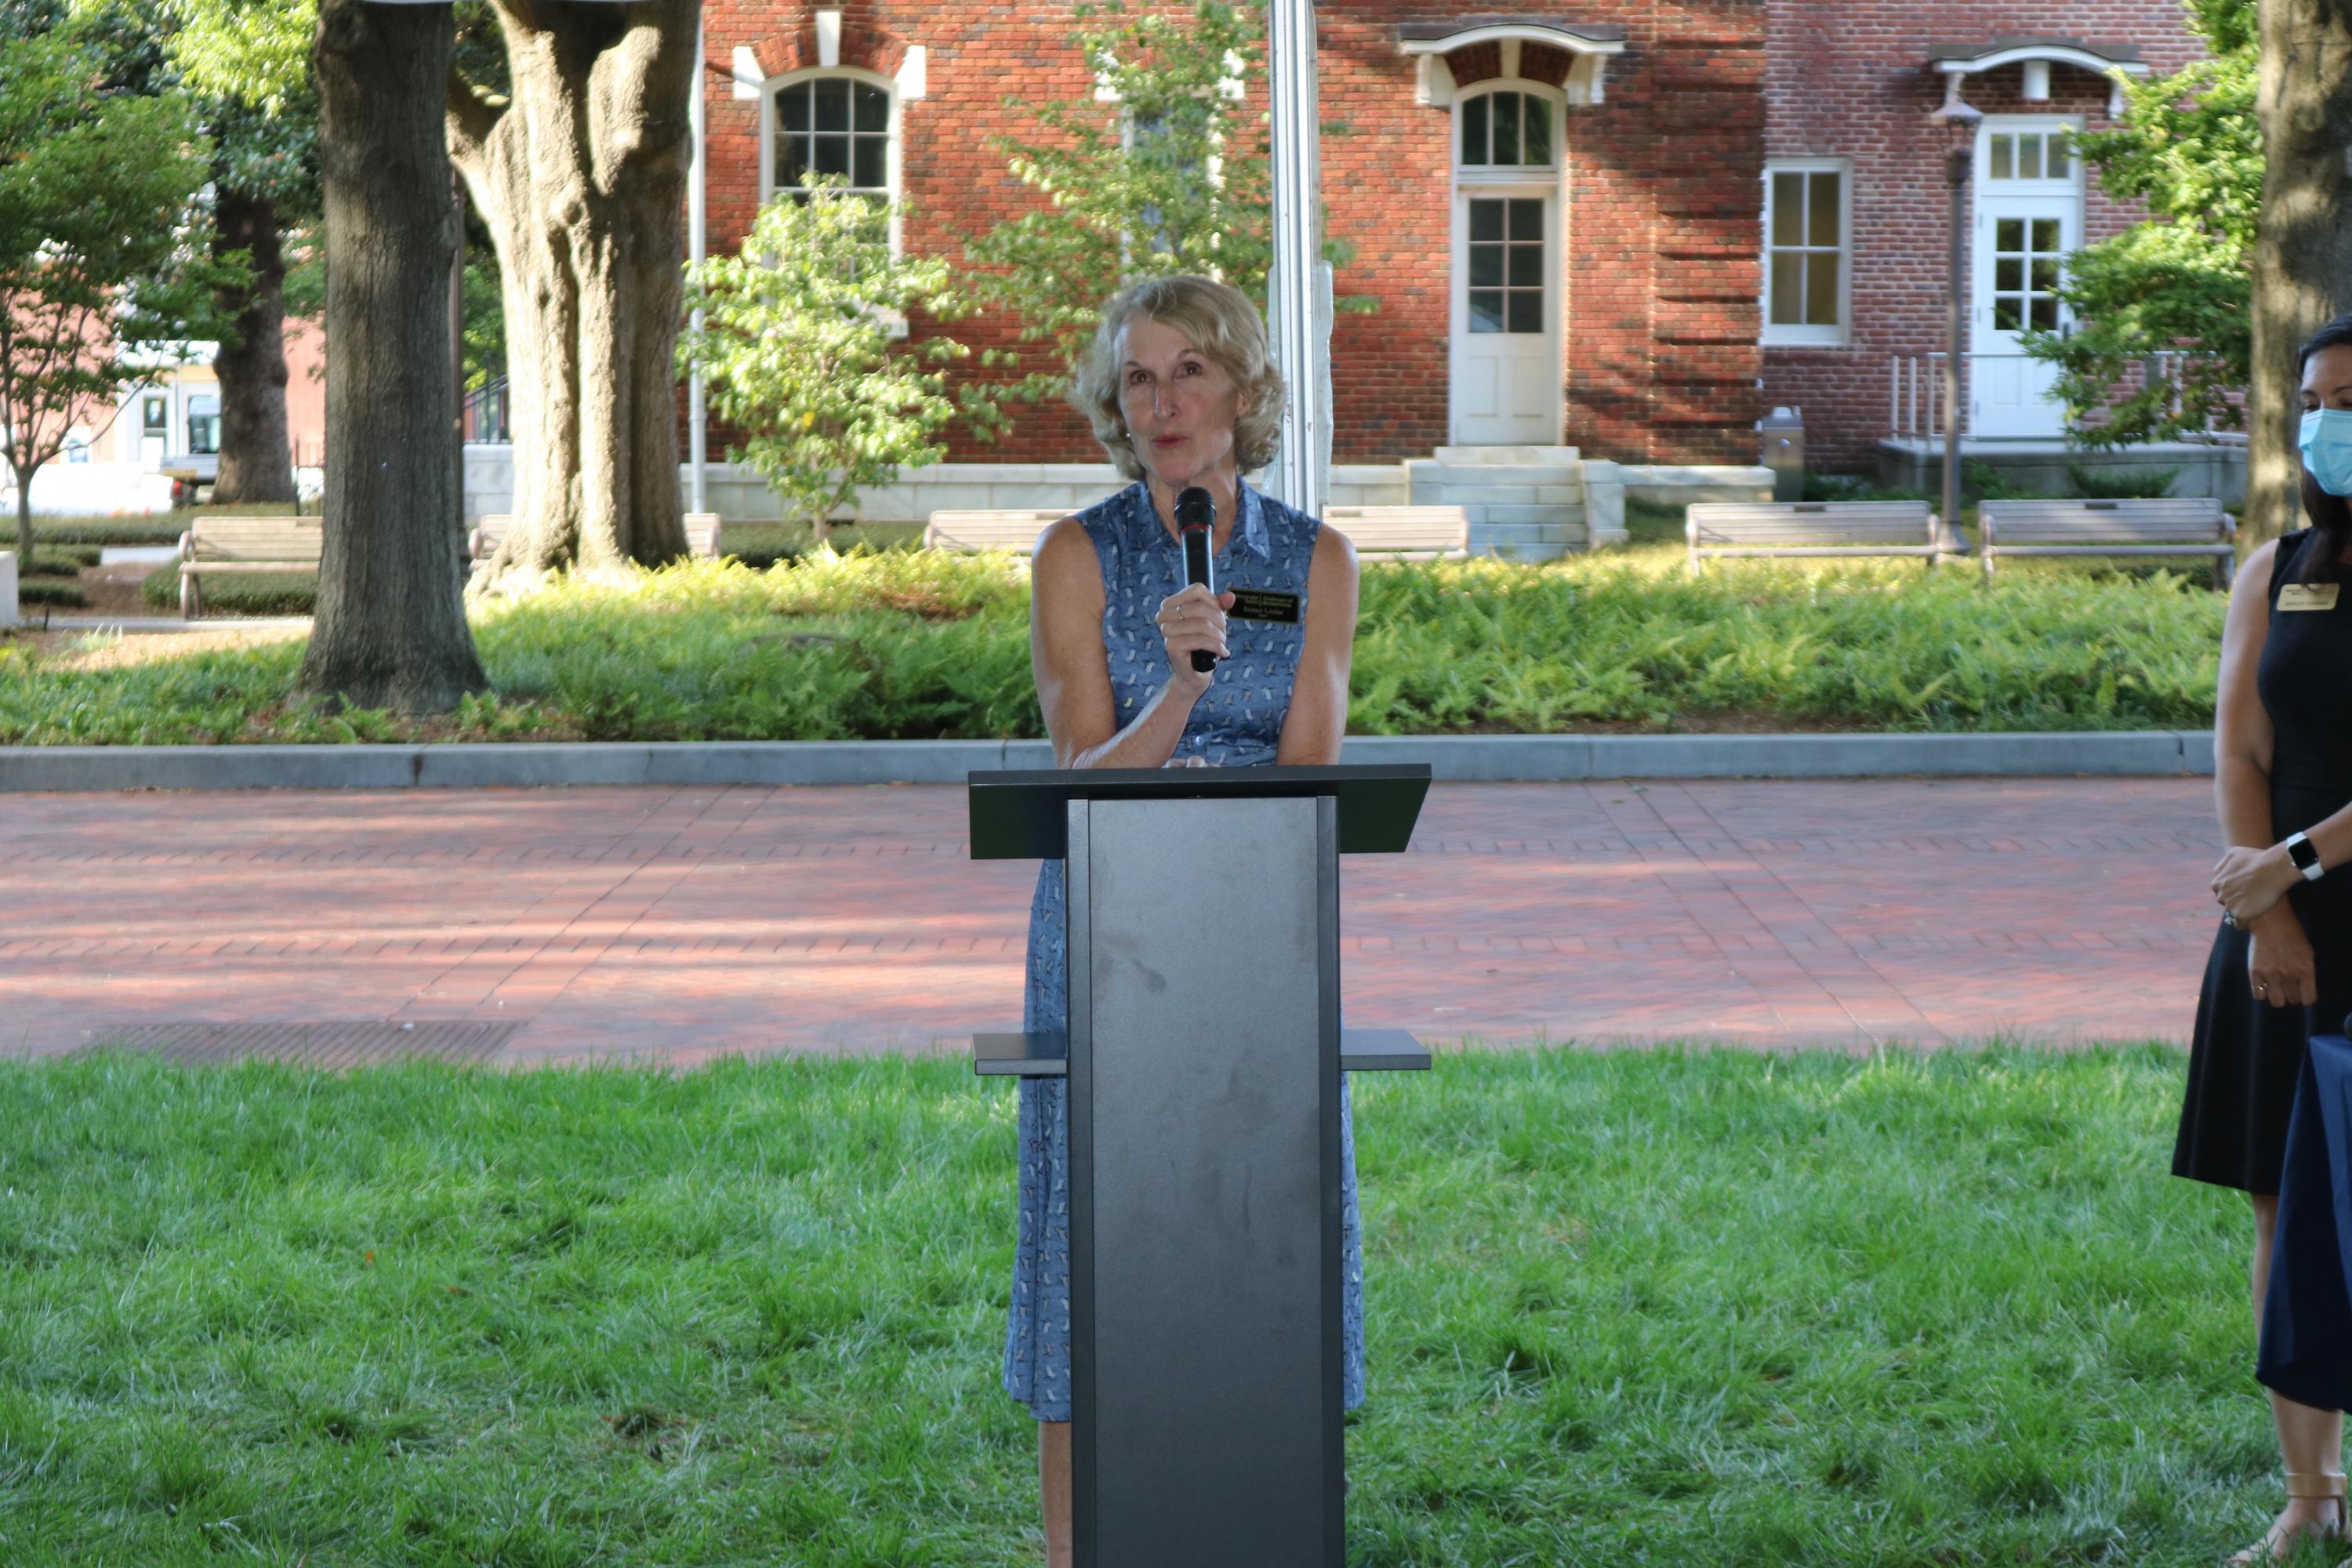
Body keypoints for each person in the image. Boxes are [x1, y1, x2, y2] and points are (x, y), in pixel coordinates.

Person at [1002, 273, 1363, 1567]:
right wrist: (1180, 687)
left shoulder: (1314, 561)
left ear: (1244, 390)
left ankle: (1259, 1525)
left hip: (1257, 930)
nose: (1163, 403)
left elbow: (1311, 773)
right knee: (1096, 1249)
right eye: (1138, 378)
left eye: (1190, 372)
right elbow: (1081, 776)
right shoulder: (1075, 555)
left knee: (1265, 1229)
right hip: (1110, 929)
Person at [2179, 312, 2352, 1564]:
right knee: (2282, 1204)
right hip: (2280, 922)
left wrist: (2283, 867)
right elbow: (2241, 749)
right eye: (2318, 400)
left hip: (2300, 875)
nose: (2330, 420)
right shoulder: (2275, 568)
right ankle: (2309, 1492)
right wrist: (2269, 911)